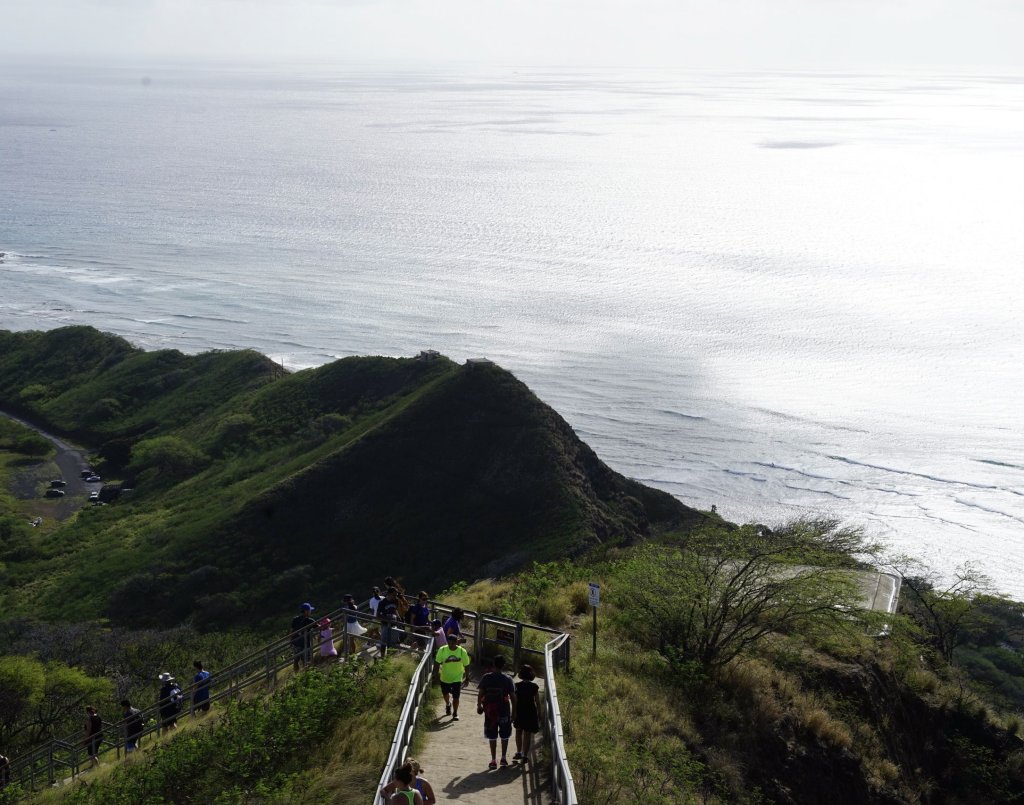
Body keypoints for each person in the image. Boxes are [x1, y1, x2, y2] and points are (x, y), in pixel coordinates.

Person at [477, 655, 516, 769]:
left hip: (490, 712)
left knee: (492, 736)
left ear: (493, 664)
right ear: (504, 666)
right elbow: (513, 698)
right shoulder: (508, 679)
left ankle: (493, 760)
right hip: (504, 711)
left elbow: (480, 693)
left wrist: (479, 705)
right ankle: (503, 758)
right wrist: (514, 713)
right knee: (505, 735)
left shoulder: (486, 677)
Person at [434, 633, 470, 720]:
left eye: (453, 643)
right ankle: (448, 704)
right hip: (445, 677)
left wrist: (467, 677)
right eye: (449, 643)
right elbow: (437, 663)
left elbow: (467, 665)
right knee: (445, 694)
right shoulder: (442, 650)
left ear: (456, 642)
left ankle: (455, 713)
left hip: (457, 678)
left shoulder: (462, 651)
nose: (451, 645)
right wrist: (436, 675)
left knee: (456, 697)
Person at [513, 664, 540, 764]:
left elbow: (515, 701)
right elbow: (537, 702)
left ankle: (519, 752)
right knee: (527, 734)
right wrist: (539, 714)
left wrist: (513, 713)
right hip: (530, 711)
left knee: (518, 732)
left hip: (520, 710)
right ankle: (525, 755)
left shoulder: (517, 686)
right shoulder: (534, 687)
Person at [290, 602, 317, 671]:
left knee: (296, 659)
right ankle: (307, 674)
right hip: (305, 643)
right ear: (306, 611)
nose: (310, 612)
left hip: (296, 642)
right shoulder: (310, 620)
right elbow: (319, 627)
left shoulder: (295, 619)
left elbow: (292, 631)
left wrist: (291, 641)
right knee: (307, 660)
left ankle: (296, 674)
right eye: (310, 610)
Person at [379, 587, 401, 657]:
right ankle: (382, 657)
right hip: (385, 624)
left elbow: (395, 610)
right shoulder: (382, 602)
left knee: (393, 642)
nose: (395, 596)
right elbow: (378, 615)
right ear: (389, 594)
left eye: (396, 595)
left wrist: (399, 618)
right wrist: (387, 618)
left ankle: (389, 658)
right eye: (394, 595)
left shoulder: (396, 601)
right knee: (383, 642)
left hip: (394, 624)